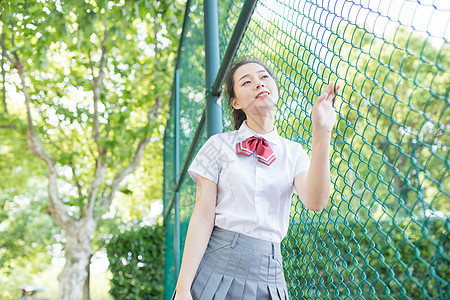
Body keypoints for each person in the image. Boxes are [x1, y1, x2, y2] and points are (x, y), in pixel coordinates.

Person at [173, 59, 340, 300]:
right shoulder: (218, 145)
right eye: (247, 81)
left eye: (264, 77)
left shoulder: (294, 153)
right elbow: (202, 215)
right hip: (216, 266)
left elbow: (316, 201)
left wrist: (322, 131)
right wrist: (184, 287)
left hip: (269, 274)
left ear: (275, 89)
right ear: (236, 102)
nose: (258, 84)